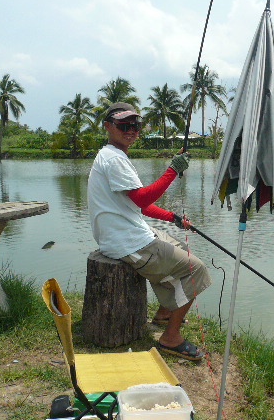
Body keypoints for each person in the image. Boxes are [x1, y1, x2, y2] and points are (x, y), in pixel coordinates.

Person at [87, 102, 211, 361]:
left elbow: (136, 204)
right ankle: (170, 338)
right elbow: (142, 199)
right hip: (127, 243)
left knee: (182, 250)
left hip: (129, 233)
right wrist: (173, 170)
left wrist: (172, 217)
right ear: (108, 126)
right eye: (124, 125)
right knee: (196, 269)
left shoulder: (114, 155)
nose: (131, 130)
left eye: (135, 125)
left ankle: (165, 312)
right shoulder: (113, 159)